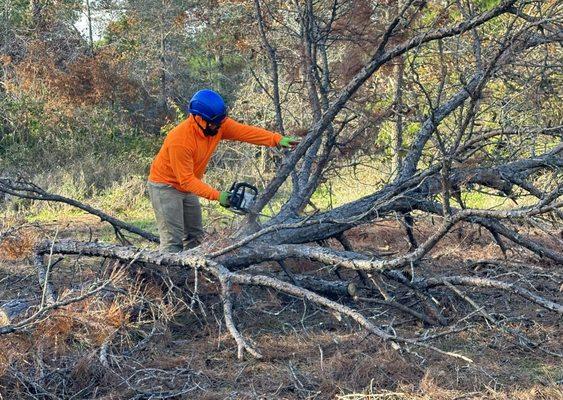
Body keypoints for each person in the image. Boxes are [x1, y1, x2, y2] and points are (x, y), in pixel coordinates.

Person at [147, 89, 300, 252]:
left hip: (187, 186)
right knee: (173, 242)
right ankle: (169, 274)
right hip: (165, 187)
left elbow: (245, 132)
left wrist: (276, 139)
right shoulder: (180, 140)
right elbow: (186, 180)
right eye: (214, 123)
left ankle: (193, 274)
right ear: (199, 118)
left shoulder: (217, 125)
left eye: (220, 122)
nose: (218, 126)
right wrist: (218, 195)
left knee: (196, 236)